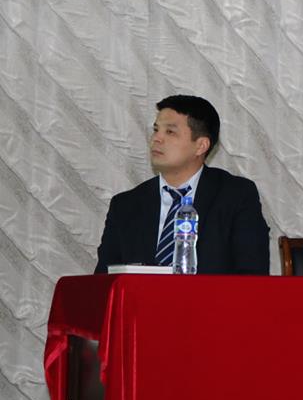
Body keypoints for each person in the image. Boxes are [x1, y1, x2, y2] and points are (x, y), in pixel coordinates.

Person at [94, 95, 270, 274]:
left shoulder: (235, 196)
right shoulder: (125, 205)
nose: (156, 139)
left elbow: (252, 275)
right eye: (156, 130)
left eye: (170, 132)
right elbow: (104, 280)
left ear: (201, 146)